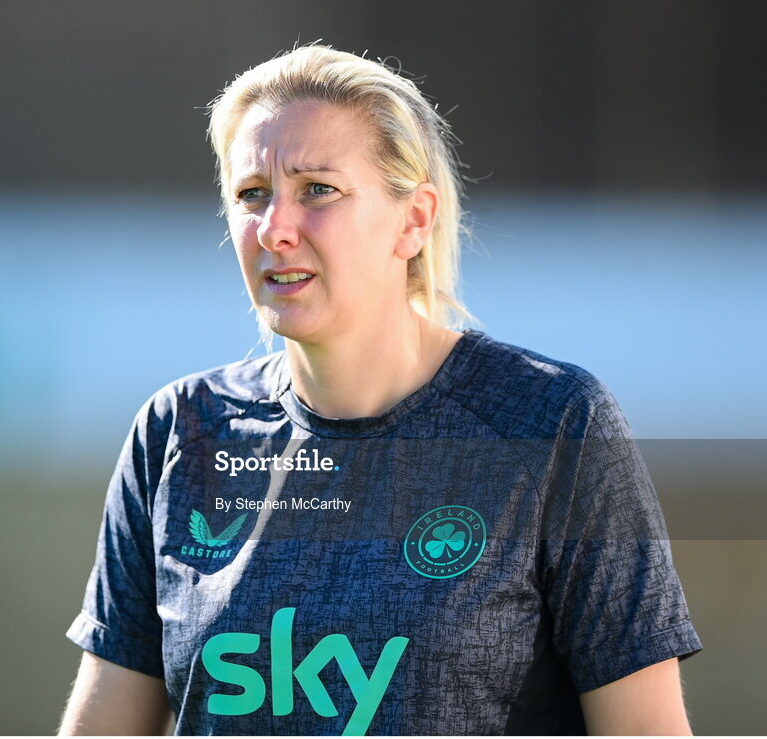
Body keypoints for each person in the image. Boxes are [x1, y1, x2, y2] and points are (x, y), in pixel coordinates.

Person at [58, 44, 701, 736]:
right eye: (251, 195)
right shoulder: (179, 431)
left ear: (414, 220)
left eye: (318, 190)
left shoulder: (550, 423)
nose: (274, 227)